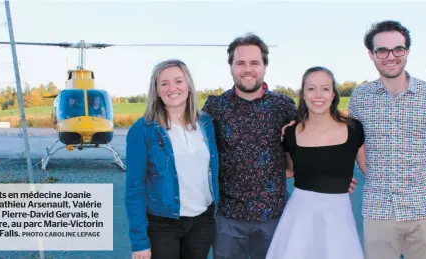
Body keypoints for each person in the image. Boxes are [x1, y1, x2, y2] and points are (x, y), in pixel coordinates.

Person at [202, 33, 357, 259]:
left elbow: (312, 139)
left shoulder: (283, 106)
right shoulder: (215, 107)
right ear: (231, 66)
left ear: (265, 66)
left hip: (274, 218)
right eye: (241, 63)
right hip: (227, 219)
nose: (248, 69)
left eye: (255, 63)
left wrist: (333, 175)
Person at [349, 20, 426, 259]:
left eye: (397, 49)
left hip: (424, 209)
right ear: (371, 54)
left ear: (407, 51)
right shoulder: (360, 97)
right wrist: (340, 175)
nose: (390, 56)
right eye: (382, 50)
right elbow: (351, 143)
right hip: (379, 210)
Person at [266, 66, 366, 259]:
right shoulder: (290, 133)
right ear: (303, 94)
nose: (318, 95)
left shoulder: (354, 129)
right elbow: (290, 171)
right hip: (299, 217)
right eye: (311, 89)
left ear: (333, 94)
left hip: (338, 218)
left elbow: (370, 170)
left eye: (325, 88)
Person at [124, 59, 220, 259]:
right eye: (164, 83)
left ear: (189, 86)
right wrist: (139, 241)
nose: (172, 88)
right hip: (162, 225)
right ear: (156, 91)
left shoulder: (206, 123)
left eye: (178, 81)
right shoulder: (142, 130)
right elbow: (135, 188)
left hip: (203, 221)